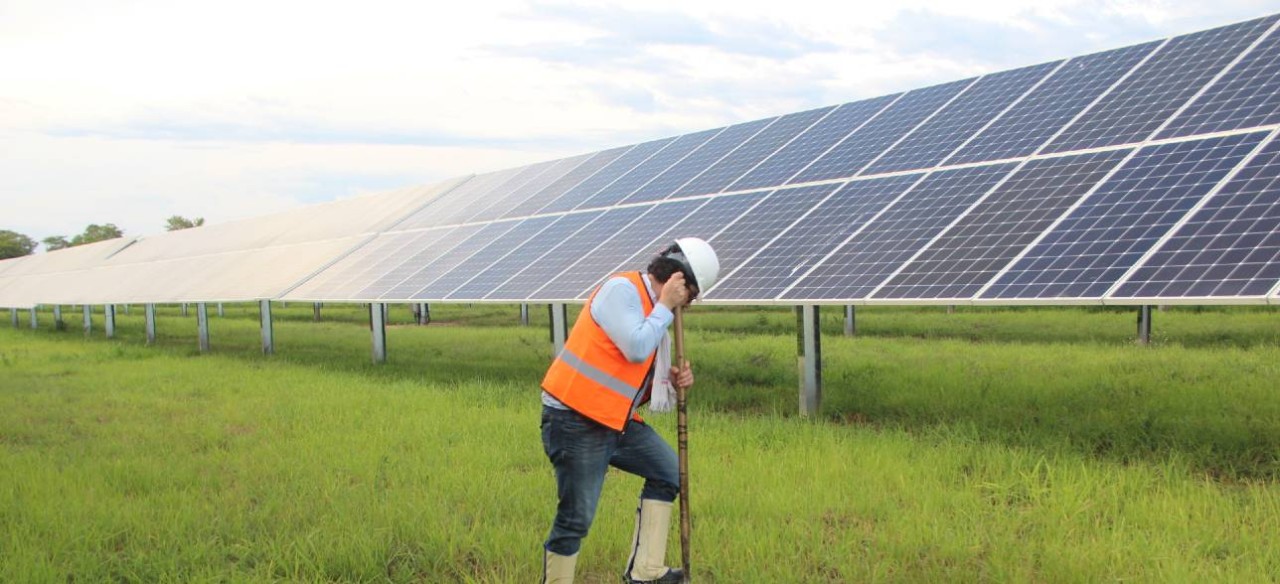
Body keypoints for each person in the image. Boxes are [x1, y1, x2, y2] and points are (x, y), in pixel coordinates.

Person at [540, 237, 720, 584]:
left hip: (614, 419)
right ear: (679, 282)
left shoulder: (654, 309)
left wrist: (669, 379)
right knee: (576, 517)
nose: (689, 304)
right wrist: (666, 305)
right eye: (691, 296)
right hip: (576, 418)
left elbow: (626, 372)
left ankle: (645, 572)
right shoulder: (622, 291)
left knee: (669, 472)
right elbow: (637, 347)